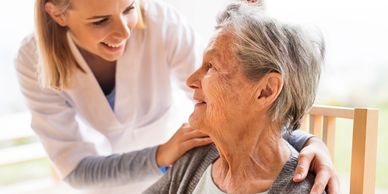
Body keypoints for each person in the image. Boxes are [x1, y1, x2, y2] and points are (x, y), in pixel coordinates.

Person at [15, 0, 338, 193]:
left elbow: (244, 102)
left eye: (129, 7)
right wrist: (161, 157)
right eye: (100, 20)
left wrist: (307, 142)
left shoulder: (159, 23)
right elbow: (76, 168)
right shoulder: (32, 60)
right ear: (58, 15)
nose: (126, 31)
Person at [145, 2, 328, 194]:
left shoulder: (303, 190)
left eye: (211, 66)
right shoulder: (195, 159)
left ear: (265, 90)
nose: (190, 80)